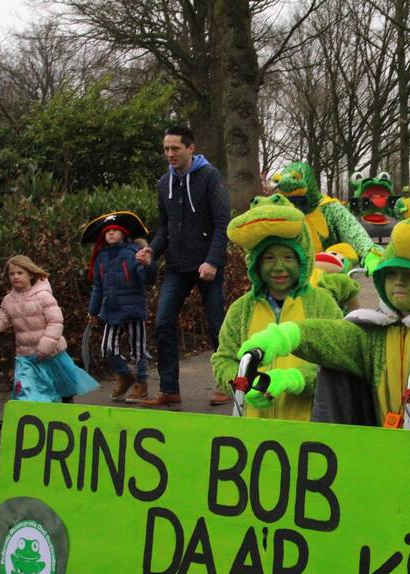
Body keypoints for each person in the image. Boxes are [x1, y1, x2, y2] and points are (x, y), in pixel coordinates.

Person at [238, 217, 410, 432]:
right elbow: (332, 336)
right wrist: (286, 336)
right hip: (382, 437)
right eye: (391, 274)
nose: (398, 282)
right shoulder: (373, 332)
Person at [211, 194, 343, 419]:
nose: (279, 267)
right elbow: (223, 360)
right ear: (256, 264)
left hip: (309, 426)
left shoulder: (322, 304)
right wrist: (242, 383)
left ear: (302, 260)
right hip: (255, 431)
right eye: (269, 258)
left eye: (288, 258)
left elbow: (337, 360)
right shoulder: (241, 309)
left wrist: (296, 379)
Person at [136, 125, 231, 409]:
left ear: (190, 148)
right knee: (163, 321)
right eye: (166, 148)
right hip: (177, 265)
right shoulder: (163, 183)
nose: (169, 154)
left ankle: (225, 383)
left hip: (207, 265)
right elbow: (165, 228)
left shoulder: (210, 178)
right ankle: (169, 389)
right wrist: (152, 249)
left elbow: (221, 223)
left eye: (175, 148)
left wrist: (213, 261)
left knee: (217, 325)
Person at [0, 256, 98, 403]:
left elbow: (55, 322)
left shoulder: (44, 296)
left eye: (20, 273)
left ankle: (65, 411)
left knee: (62, 388)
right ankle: (20, 418)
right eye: (11, 274)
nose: (15, 277)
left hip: (52, 353)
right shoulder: (8, 300)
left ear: (31, 274)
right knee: (26, 390)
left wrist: (46, 346)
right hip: (26, 357)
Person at [85, 212, 155, 403]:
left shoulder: (135, 252)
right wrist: (93, 311)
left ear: (124, 233)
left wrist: (147, 265)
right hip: (111, 310)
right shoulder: (100, 257)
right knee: (107, 348)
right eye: (108, 231)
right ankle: (125, 375)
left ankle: (141, 383)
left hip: (133, 308)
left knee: (138, 349)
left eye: (115, 230)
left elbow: (146, 279)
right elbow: (98, 287)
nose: (111, 233)